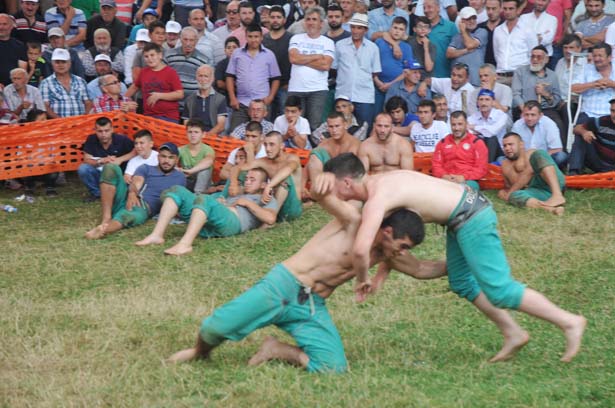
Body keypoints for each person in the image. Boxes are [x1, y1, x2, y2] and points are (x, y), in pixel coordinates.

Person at [314, 152, 587, 363]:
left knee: (500, 289)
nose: (335, 195)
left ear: (346, 183)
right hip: (463, 214)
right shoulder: (383, 182)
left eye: (335, 189)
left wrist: (362, 280)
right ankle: (513, 333)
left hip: (472, 217)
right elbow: (389, 237)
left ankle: (569, 321)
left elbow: (361, 249)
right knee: (462, 282)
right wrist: (381, 276)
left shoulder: (377, 198)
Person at [165, 189, 445, 371]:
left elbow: (421, 269)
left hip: (310, 306)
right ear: (387, 231)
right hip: (282, 286)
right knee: (214, 328)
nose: (402, 252)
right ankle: (199, 352)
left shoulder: (388, 253)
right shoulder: (353, 223)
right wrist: (323, 186)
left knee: (333, 367)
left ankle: (275, 349)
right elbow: (327, 198)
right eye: (403, 245)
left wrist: (460, 264)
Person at [135, 167, 280, 255]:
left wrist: (248, 203)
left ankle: (184, 245)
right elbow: (209, 198)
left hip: (233, 222)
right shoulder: (237, 192)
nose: (247, 182)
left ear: (263, 185)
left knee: (205, 200)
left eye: (252, 180)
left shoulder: (265, 199)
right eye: (247, 178)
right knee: (177, 190)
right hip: (210, 218)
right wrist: (219, 201)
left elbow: (270, 218)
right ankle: (157, 235)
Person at [84, 142, 186, 240]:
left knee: (127, 216)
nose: (166, 161)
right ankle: (106, 218)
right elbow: (137, 181)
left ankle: (103, 230)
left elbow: (178, 198)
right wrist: (132, 193)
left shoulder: (180, 177)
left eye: (171, 157)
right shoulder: (146, 168)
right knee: (110, 167)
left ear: (176, 159)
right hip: (127, 196)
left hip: (143, 207)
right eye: (163, 156)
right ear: (158, 157)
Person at [230, 131, 303, 222]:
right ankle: (229, 202)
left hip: (291, 209)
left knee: (284, 180)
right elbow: (236, 168)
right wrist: (233, 183)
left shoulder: (292, 158)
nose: (268, 149)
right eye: (265, 145)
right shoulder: (264, 161)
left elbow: (287, 169)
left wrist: (269, 185)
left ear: (281, 146)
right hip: (271, 204)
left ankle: (269, 220)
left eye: (272, 145)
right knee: (244, 174)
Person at [287, 6, 335, 131]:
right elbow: (293, 58)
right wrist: (316, 56)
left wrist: (301, 59)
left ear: (321, 23)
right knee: (295, 125)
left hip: (317, 90)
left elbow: (325, 65)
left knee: (315, 126)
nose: (311, 22)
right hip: (296, 88)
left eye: (314, 19)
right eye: (308, 19)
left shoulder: (328, 42)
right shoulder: (296, 38)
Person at [226, 24, 281, 131]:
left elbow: (276, 78)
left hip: (262, 102)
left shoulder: (269, 55)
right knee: (234, 133)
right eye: (250, 36)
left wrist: (270, 97)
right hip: (241, 102)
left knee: (263, 133)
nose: (253, 40)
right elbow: (229, 76)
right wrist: (232, 98)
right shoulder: (237, 54)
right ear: (246, 37)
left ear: (261, 37)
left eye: (256, 36)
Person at [498, 132, 566, 214]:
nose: (507, 148)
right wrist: (503, 193)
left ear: (521, 144)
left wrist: (509, 193)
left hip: (553, 183)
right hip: (537, 191)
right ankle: (550, 209)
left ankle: (557, 195)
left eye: (510, 144)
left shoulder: (531, 153)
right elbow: (509, 188)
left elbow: (528, 173)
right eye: (505, 146)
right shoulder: (504, 165)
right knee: (514, 195)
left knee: (539, 153)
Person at [333, 13, 381, 130]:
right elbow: (334, 67)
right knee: (341, 128)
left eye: (359, 28)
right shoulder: (340, 45)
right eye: (353, 27)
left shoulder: (373, 48)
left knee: (364, 129)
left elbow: (375, 71)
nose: (355, 31)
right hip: (343, 94)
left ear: (365, 30)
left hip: (364, 96)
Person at [512, 45, 565, 144]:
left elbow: (557, 98)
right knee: (520, 124)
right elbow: (516, 94)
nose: (535, 59)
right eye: (533, 56)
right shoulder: (520, 72)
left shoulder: (552, 75)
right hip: (525, 108)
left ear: (546, 59)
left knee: (558, 123)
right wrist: (525, 111)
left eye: (539, 57)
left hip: (546, 109)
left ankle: (559, 150)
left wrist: (545, 93)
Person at [303, 111, 361, 199]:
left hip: (345, 183)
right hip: (324, 182)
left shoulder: (354, 144)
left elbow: (353, 174)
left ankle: (324, 194)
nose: (334, 130)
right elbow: (308, 166)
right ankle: (317, 191)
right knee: (315, 154)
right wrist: (301, 187)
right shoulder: (325, 144)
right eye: (331, 127)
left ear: (345, 125)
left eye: (337, 126)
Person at [78, 116, 135, 202]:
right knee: (83, 169)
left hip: (120, 175)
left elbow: (136, 150)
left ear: (112, 129)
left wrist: (120, 159)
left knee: (127, 188)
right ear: (95, 131)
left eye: (106, 131)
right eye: (100, 131)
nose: (103, 134)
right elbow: (86, 160)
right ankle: (97, 194)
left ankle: (114, 193)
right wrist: (101, 161)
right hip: (101, 174)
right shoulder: (91, 139)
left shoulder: (122, 139)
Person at [125, 42, 183, 123]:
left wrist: (159, 96)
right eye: (146, 56)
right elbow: (134, 87)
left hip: (168, 117)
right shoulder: (143, 72)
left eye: (152, 55)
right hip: (148, 116)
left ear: (160, 55)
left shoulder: (171, 72)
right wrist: (123, 100)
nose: (149, 59)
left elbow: (180, 94)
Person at [432, 110, 488, 189]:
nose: (456, 128)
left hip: (467, 180)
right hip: (446, 179)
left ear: (466, 124)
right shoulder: (443, 142)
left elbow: (481, 168)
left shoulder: (477, 142)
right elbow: (436, 165)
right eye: (453, 125)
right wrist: (444, 176)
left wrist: (464, 177)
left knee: (470, 186)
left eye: (460, 124)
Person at [373, 17, 412, 117]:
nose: (397, 31)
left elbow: (407, 71)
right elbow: (371, 64)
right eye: (395, 28)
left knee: (394, 115)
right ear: (390, 28)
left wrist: (391, 84)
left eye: (401, 29)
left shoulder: (407, 48)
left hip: (396, 87)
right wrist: (377, 81)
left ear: (404, 32)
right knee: (377, 114)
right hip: (377, 86)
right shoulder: (379, 42)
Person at [511, 100, 568, 169]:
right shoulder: (517, 125)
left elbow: (557, 149)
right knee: (501, 159)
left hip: (544, 159)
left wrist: (537, 160)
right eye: (526, 115)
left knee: (561, 156)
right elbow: (513, 148)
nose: (529, 118)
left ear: (540, 115)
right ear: (522, 114)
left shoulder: (549, 124)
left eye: (533, 115)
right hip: (523, 160)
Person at [165, 26, 211, 106]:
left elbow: (206, 84)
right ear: (180, 39)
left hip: (193, 104)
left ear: (196, 41)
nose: (188, 43)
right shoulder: (168, 55)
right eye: (185, 39)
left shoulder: (204, 60)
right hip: (170, 102)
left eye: (191, 40)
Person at [39, 48, 91, 118]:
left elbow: (87, 102)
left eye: (63, 62)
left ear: (69, 63)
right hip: (58, 123)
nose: (60, 65)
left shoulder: (81, 81)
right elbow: (45, 106)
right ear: (52, 63)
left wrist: (84, 118)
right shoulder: (45, 83)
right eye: (57, 62)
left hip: (81, 121)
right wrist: (61, 121)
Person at [263, 5, 293, 120]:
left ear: (284, 20)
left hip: (285, 86)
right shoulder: (263, 39)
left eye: (278, 17)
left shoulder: (291, 39)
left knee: (285, 119)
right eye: (272, 17)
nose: (275, 20)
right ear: (269, 19)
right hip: (266, 87)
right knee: (266, 118)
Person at [569, 98, 615, 174]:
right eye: (613, 111)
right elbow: (576, 128)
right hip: (598, 161)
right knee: (581, 135)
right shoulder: (602, 121)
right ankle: (574, 172)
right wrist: (584, 132)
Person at [493, 0, 534, 86]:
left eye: (511, 8)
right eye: (505, 9)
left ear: (518, 10)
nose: (507, 12)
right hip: (501, 76)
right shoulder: (498, 30)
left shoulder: (527, 29)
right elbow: (497, 54)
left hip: (520, 76)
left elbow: (533, 53)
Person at [570, 42, 615, 120]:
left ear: (609, 57)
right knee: (580, 126)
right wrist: (593, 84)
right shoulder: (586, 69)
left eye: (600, 56)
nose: (596, 59)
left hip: (611, 115)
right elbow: (572, 88)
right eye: (594, 56)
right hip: (588, 113)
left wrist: (611, 84)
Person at [446, 7, 488, 87]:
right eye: (468, 19)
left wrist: (463, 31)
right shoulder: (457, 37)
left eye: (474, 18)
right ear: (461, 21)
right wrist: (466, 51)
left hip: (475, 82)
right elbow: (449, 54)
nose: (472, 21)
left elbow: (470, 45)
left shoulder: (482, 32)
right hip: (458, 84)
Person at [183, 64, 227, 134]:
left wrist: (205, 137)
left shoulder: (220, 99)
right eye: (200, 76)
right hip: (194, 136)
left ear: (212, 79)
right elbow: (186, 123)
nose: (203, 79)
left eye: (206, 76)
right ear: (196, 78)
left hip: (212, 137)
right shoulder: (189, 99)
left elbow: (221, 126)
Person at [467, 88, 509, 162]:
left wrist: (474, 127)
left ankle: (487, 166)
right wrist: (483, 130)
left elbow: (492, 132)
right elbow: (469, 133)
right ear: (477, 103)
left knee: (491, 139)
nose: (483, 103)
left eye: (487, 99)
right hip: (479, 149)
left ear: (493, 102)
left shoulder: (501, 115)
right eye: (481, 99)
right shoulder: (472, 117)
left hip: (499, 152)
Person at [178, 119, 216, 194]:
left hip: (205, 187)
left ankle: (197, 195)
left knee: (205, 169)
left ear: (203, 134)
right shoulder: (180, 149)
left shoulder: (208, 149)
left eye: (196, 132)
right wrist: (177, 169)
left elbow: (209, 161)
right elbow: (172, 162)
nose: (193, 135)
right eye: (190, 132)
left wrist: (191, 171)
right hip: (187, 182)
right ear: (186, 133)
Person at [424, 0, 458, 78]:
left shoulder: (450, 27)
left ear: (438, 8)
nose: (426, 10)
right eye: (424, 8)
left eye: (429, 7)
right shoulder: (420, 28)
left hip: (445, 77)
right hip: (425, 77)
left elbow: (456, 52)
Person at [0, 13, 27, 87]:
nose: (1, 27)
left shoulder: (20, 46)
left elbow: (22, 70)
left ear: (11, 26)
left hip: (14, 87)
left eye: (4, 24)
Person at [477, 0, 503, 66]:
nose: (490, 12)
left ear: (501, 8)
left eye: (494, 8)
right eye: (488, 8)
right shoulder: (479, 28)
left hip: (501, 67)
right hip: (483, 67)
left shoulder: (505, 27)